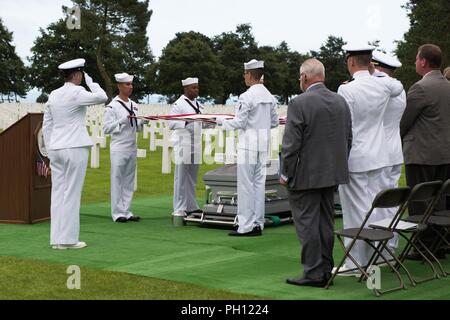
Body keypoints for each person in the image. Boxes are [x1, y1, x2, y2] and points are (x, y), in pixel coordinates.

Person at [280, 59, 352, 287]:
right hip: (331, 173)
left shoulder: (299, 103)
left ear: (305, 77)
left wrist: (285, 173)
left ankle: (313, 272)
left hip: (305, 175)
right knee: (325, 223)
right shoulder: (340, 101)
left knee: (307, 224)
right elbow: (348, 139)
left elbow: (291, 145)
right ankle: (325, 269)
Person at [336, 45, 404, 274]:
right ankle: (381, 255)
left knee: (355, 212)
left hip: (356, 156)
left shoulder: (347, 89)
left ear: (351, 62)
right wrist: (374, 74)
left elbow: (345, 125)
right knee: (377, 209)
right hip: (380, 156)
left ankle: (356, 264)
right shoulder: (384, 86)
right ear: (371, 63)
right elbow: (398, 86)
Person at [43, 58, 108, 249]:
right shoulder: (78, 92)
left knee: (58, 194)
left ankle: (56, 240)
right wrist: (91, 82)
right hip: (75, 146)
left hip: (56, 148)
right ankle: (69, 240)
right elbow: (102, 97)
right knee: (71, 193)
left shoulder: (53, 94)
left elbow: (47, 124)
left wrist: (49, 148)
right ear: (78, 74)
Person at [217, 59, 279, 237]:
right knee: (259, 185)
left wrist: (221, 121)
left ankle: (245, 226)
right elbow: (274, 122)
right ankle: (258, 223)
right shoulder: (270, 96)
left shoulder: (246, 96)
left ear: (250, 75)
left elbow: (239, 122)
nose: (244, 77)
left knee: (245, 186)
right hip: (263, 145)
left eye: (245, 74)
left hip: (248, 145)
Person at [400, 44, 450, 259]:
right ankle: (439, 243)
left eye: (416, 58)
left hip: (422, 155)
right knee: (441, 202)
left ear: (423, 61)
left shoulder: (420, 88)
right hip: (445, 153)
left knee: (421, 203)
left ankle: (423, 247)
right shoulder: (447, 85)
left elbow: (404, 122)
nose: (414, 62)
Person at [370, 51, 406, 253]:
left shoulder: (381, 88)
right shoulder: (399, 88)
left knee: (379, 200)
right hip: (394, 150)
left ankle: (381, 247)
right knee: (392, 200)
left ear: (378, 67)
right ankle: (390, 246)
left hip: (380, 152)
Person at [103, 73, 146, 223]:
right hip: (119, 147)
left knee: (129, 180)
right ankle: (117, 212)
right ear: (119, 86)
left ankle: (126, 210)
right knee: (117, 179)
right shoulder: (112, 106)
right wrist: (120, 121)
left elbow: (136, 127)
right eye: (127, 84)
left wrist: (142, 123)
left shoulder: (134, 105)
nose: (130, 87)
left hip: (132, 146)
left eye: (131, 84)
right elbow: (106, 129)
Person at [169, 78, 204, 218]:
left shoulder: (198, 104)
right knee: (181, 176)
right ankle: (179, 207)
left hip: (196, 142)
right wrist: (187, 122)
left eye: (197, 87)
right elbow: (171, 123)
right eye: (193, 88)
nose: (196, 90)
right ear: (185, 89)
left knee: (192, 176)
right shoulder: (178, 104)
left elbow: (203, 122)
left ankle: (191, 205)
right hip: (183, 142)